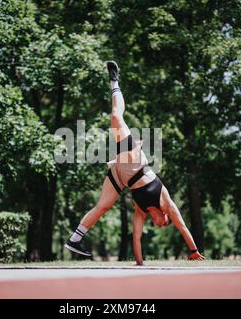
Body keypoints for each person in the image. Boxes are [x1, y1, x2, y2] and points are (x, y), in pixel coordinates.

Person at [65, 61, 205, 264]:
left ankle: (75, 239)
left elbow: (136, 238)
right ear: (165, 216)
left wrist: (140, 264)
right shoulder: (166, 202)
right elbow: (182, 226)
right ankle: (115, 82)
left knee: (103, 206)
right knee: (115, 117)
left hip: (121, 175)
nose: (161, 225)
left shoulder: (141, 212)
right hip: (134, 161)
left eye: (162, 225)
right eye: (165, 223)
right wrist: (193, 250)